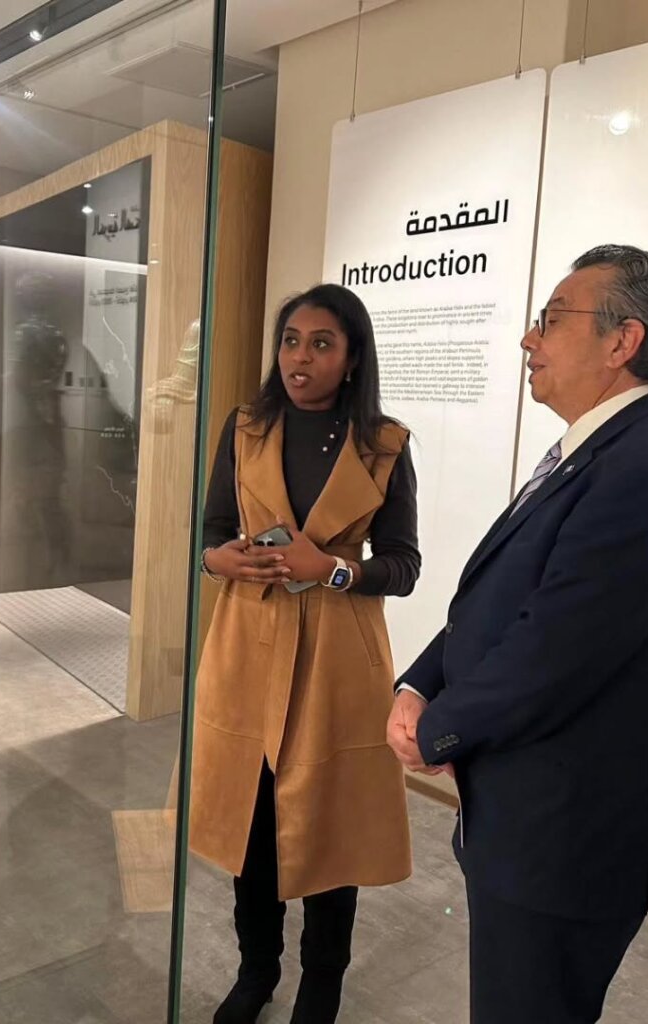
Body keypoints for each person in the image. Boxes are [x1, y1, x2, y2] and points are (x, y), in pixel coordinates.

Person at [388, 244, 648, 1023]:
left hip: (566, 842)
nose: (529, 339)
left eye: (552, 319)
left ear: (622, 341)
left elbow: (554, 653)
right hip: (531, 823)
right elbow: (502, 601)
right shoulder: (602, 451)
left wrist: (436, 730)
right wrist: (420, 683)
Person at [189, 283, 421, 1024]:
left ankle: (321, 990)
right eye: (291, 340)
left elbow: (404, 566)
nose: (301, 357)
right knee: (251, 827)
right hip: (248, 648)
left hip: (337, 660)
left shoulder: (385, 445)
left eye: (322, 344)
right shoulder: (247, 429)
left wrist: (335, 570)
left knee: (331, 834)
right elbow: (212, 531)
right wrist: (220, 561)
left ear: (352, 359)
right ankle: (256, 972)